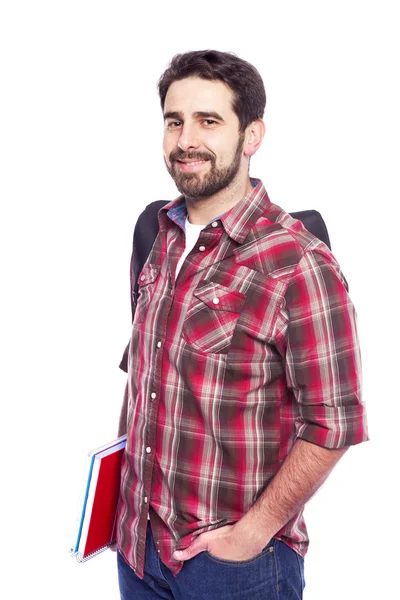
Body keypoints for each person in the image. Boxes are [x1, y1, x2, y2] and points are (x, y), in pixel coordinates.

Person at [115, 50, 368, 600]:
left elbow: (336, 421)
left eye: (209, 121)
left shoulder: (297, 262)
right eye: (174, 120)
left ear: (251, 135)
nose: (186, 139)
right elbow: (147, 379)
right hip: (137, 549)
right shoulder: (155, 236)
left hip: (233, 569)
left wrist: (252, 533)